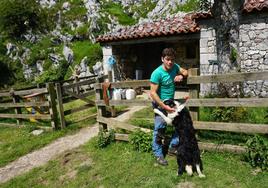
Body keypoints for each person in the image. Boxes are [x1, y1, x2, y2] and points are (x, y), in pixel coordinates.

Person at [150, 48, 188, 166]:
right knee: (160, 129)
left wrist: (181, 76)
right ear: (162, 59)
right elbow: (152, 93)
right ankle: (158, 155)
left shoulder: (175, 67)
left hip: (170, 102)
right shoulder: (157, 73)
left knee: (181, 124)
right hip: (160, 104)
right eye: (167, 59)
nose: (170, 62)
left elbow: (185, 72)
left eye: (172, 60)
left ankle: (172, 147)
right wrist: (163, 107)